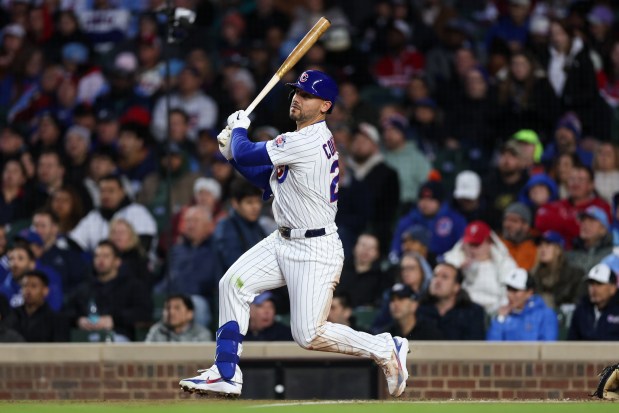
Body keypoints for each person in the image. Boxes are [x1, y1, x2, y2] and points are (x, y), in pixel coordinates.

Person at [179, 70, 410, 398]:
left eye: (307, 95)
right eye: (296, 92)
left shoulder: (308, 140)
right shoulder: (299, 141)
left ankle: (385, 347)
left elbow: (248, 152)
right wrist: (233, 153)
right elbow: (266, 181)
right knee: (232, 284)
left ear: (325, 106)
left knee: (308, 335)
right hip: (284, 239)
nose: (297, 98)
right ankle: (226, 371)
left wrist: (240, 133)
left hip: (315, 248)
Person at [417, 263, 486, 340]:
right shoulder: (419, 308)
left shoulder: (473, 312)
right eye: (435, 276)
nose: (437, 281)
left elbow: (475, 345)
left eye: (444, 277)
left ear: (456, 287)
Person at [487, 268, 559, 341]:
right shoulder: (503, 316)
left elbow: (548, 345)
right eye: (509, 289)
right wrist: (500, 320)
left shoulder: (545, 315)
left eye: (515, 290)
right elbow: (492, 347)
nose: (510, 295)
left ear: (529, 292)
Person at [5, 270, 69, 342]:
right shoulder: (11, 316)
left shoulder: (57, 320)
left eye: (33, 286)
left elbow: (61, 349)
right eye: (24, 286)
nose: (28, 290)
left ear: (45, 290)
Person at [568, 263, 619, 341]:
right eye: (591, 284)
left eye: (599, 284)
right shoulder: (582, 309)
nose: (594, 289)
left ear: (612, 288)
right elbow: (571, 341)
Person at [145, 294, 212, 343]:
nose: (171, 312)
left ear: (190, 314)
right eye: (167, 308)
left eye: (177, 308)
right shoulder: (156, 330)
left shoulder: (202, 334)